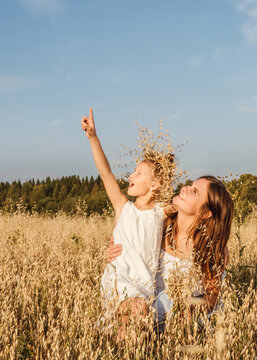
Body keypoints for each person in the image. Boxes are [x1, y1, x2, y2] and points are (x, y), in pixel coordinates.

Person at [81, 108, 175, 322]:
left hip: (144, 288)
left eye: (138, 173)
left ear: (155, 184)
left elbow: (193, 215)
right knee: (134, 311)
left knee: (133, 325)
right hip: (119, 281)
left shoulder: (162, 212)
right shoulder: (123, 207)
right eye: (133, 171)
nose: (131, 175)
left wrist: (221, 244)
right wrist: (93, 137)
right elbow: (106, 173)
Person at [107, 175, 234, 331]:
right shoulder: (157, 222)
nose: (184, 188)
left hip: (185, 312)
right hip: (145, 300)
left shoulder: (210, 249)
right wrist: (116, 252)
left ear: (206, 213)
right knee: (134, 310)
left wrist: (189, 310)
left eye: (194, 192)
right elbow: (127, 237)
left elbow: (211, 296)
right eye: (190, 184)